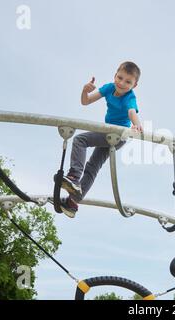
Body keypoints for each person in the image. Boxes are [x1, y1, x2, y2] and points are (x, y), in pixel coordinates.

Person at [60, 61, 143, 218]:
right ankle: (73, 201)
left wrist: (137, 125)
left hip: (117, 135)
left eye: (128, 82)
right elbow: (86, 101)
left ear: (134, 85)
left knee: (80, 140)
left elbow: (132, 111)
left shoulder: (130, 97)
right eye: (120, 78)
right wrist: (85, 90)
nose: (122, 83)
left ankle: (74, 177)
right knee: (93, 166)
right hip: (108, 134)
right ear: (115, 75)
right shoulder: (109, 88)